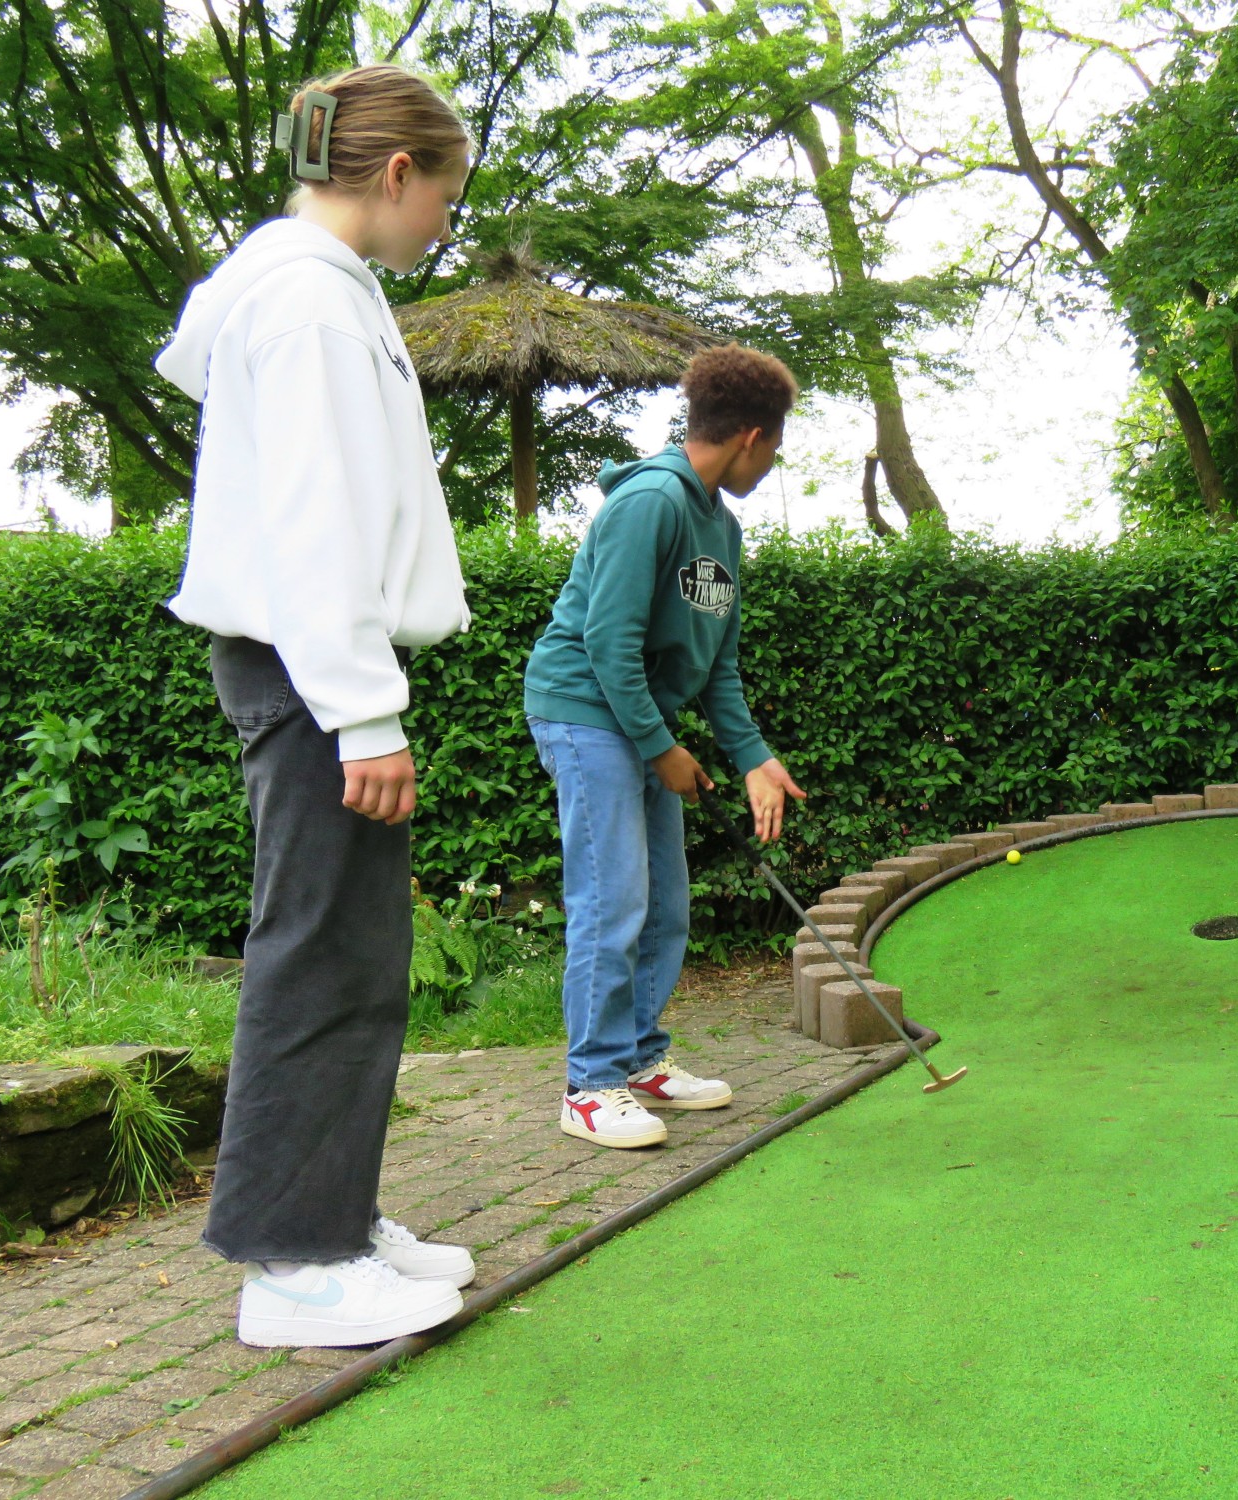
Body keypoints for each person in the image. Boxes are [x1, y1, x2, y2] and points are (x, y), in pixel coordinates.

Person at [155, 64, 480, 1345]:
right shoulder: (308, 305)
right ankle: (290, 1263)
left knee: (354, 950)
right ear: (393, 175)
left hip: (305, 668)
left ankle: (332, 1219)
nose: (445, 226)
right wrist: (363, 709)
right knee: (322, 952)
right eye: (443, 200)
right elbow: (315, 521)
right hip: (310, 672)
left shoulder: (297, 286)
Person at [524, 345, 807, 1150]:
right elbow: (609, 642)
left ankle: (640, 1060)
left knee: (663, 903)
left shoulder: (722, 525)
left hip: (636, 718)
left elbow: (716, 663)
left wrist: (753, 755)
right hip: (584, 710)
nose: (773, 460)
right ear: (752, 435)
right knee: (611, 899)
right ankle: (590, 1085)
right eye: (777, 445)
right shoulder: (650, 503)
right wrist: (660, 749)